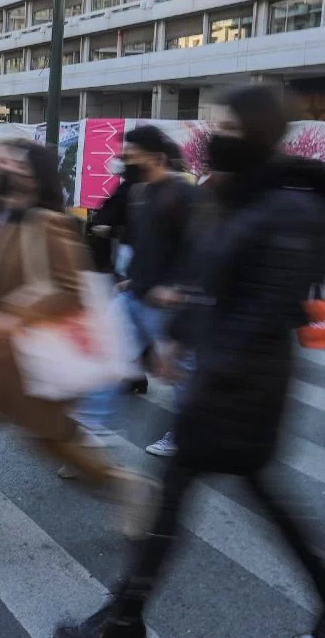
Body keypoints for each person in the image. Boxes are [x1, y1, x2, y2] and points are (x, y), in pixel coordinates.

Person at [58, 85, 325, 638]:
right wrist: (178, 336)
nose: (217, 138)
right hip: (230, 372)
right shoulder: (240, 194)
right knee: (250, 495)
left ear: (257, 132)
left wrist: (205, 361)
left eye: (229, 128)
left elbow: (265, 306)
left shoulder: (290, 206)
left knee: (186, 491)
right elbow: (210, 278)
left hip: (245, 380)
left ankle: (125, 616)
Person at [0, 139, 152, 534]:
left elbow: (70, 291)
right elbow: (4, 273)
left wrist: (19, 311)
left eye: (16, 164)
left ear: (34, 175)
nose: (4, 167)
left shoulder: (50, 222)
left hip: (27, 353)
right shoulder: (8, 215)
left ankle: (121, 485)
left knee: (48, 437)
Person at [112, 125, 199, 458]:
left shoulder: (183, 194)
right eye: (126, 155)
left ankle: (185, 435)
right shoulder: (141, 192)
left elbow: (197, 248)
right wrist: (132, 279)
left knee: (182, 374)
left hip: (166, 304)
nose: (127, 162)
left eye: (133, 156)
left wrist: (179, 288)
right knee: (109, 355)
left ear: (158, 157)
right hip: (136, 295)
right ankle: (85, 433)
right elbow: (147, 246)